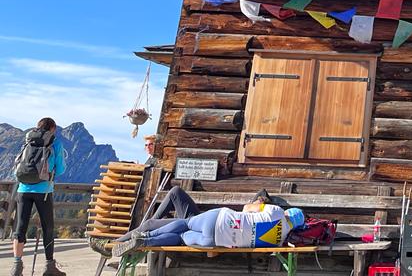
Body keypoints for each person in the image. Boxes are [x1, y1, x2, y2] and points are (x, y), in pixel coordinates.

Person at [112, 202, 304, 257]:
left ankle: (145, 236)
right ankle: (145, 242)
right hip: (215, 242)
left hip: (220, 219)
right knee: (180, 237)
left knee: (186, 223)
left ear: (289, 213)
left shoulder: (276, 211)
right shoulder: (278, 241)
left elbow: (247, 208)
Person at [11, 118, 66, 276]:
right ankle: (49, 267)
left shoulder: (28, 140)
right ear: (53, 128)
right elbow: (60, 169)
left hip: (23, 188)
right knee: (48, 227)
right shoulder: (55, 143)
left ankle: (16, 267)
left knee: (20, 227)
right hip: (44, 190)